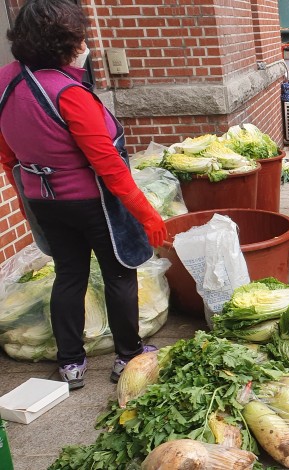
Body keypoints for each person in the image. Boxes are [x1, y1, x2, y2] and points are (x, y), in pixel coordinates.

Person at [0, 0, 166, 390]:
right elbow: (108, 164)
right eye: (79, 38)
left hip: (46, 202)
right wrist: (147, 215)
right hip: (94, 205)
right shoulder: (68, 93)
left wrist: (28, 204)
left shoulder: (6, 83)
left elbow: (7, 156)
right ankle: (128, 355)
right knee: (119, 274)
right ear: (64, 43)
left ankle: (71, 364)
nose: (84, 45)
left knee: (69, 275)